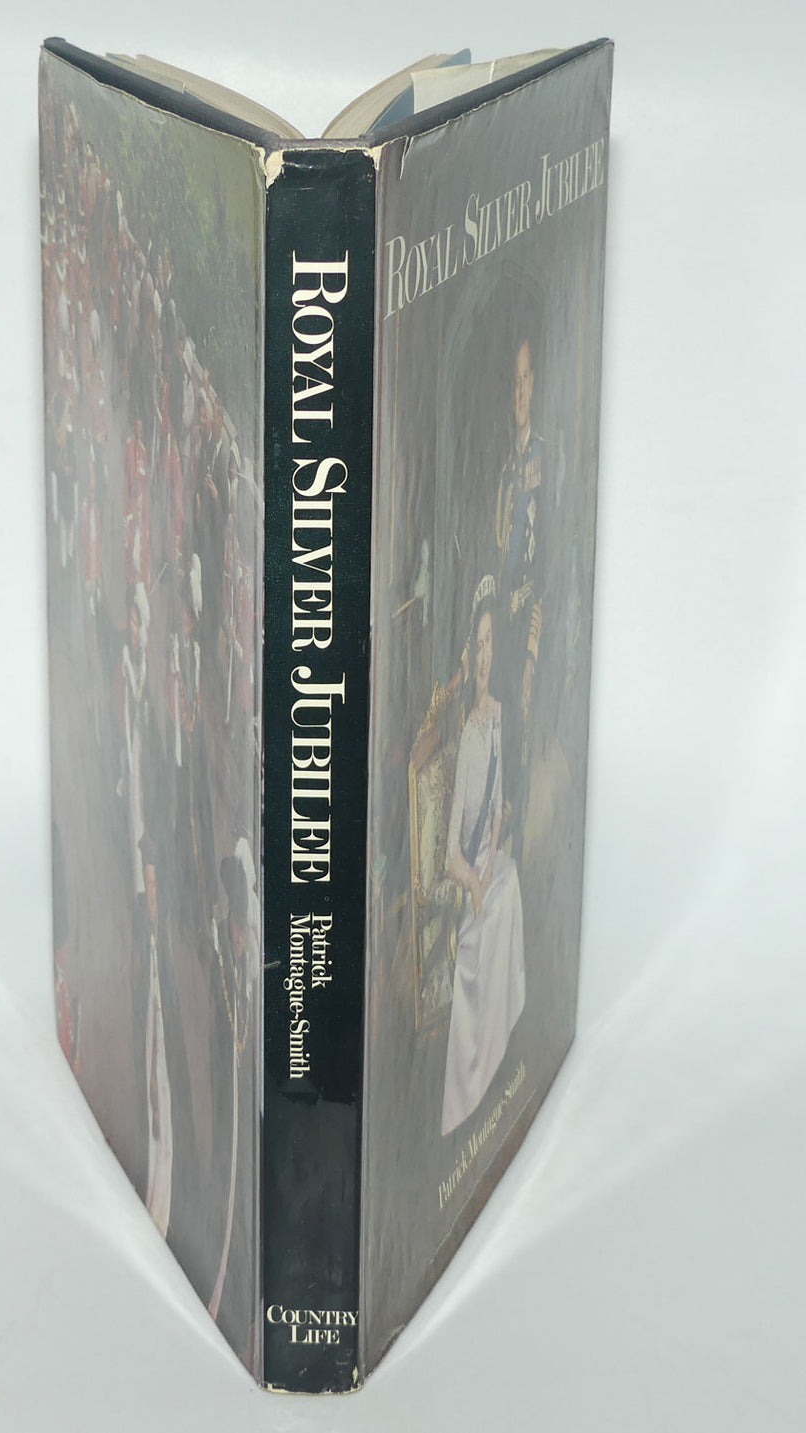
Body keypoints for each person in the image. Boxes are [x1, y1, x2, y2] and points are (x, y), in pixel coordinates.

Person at [441, 577, 525, 1135]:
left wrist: (492, 862)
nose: (486, 654)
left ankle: (498, 1054)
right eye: (480, 643)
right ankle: (470, 1079)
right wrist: (474, 881)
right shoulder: (465, 735)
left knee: (510, 883)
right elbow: (449, 850)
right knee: (487, 917)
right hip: (463, 877)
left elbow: (496, 810)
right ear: (469, 654)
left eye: (493, 641)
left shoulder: (497, 716)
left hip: (487, 866)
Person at [495, 337, 545, 869]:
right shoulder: (507, 465)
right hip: (502, 621)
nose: (521, 392)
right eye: (515, 382)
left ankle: (521, 857)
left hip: (529, 619)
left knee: (523, 728)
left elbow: (548, 555)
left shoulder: (543, 459)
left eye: (527, 380)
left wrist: (533, 642)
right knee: (501, 726)